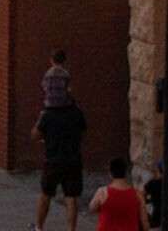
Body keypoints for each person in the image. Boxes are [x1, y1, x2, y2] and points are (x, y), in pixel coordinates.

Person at [35, 89, 89, 231]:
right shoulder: (76, 113)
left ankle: (39, 227)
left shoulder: (48, 114)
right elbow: (83, 131)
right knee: (71, 196)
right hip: (73, 160)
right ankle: (71, 229)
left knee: (46, 193)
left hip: (52, 160)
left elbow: (35, 135)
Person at [92, 157, 149, 231]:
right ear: (125, 173)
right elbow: (144, 221)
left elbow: (92, 208)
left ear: (110, 174)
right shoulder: (138, 194)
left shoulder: (102, 192)